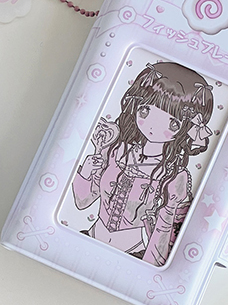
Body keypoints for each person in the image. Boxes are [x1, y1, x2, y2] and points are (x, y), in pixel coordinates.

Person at [72, 61, 213, 266]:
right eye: (146, 110)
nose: (154, 125)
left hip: (135, 255)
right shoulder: (115, 150)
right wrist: (86, 171)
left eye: (172, 123)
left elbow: (163, 231)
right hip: (88, 237)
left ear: (186, 128)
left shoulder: (174, 176)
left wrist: (147, 271)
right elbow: (82, 202)